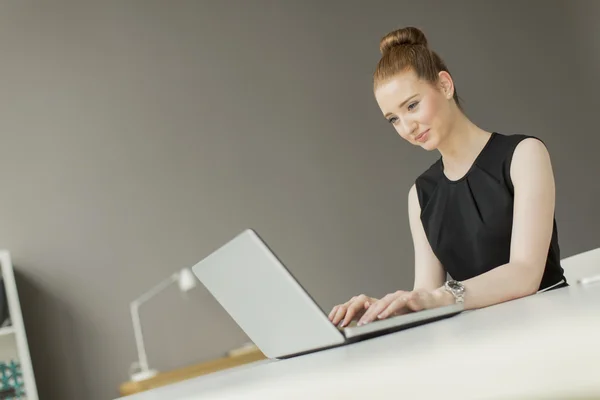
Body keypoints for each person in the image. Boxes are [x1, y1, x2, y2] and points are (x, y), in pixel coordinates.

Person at [328, 26, 567, 329]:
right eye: (394, 120)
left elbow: (525, 274)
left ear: (444, 85)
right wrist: (384, 311)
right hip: (481, 342)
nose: (407, 127)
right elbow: (426, 293)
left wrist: (441, 296)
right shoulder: (421, 194)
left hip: (553, 330)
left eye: (412, 105)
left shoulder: (524, 155)